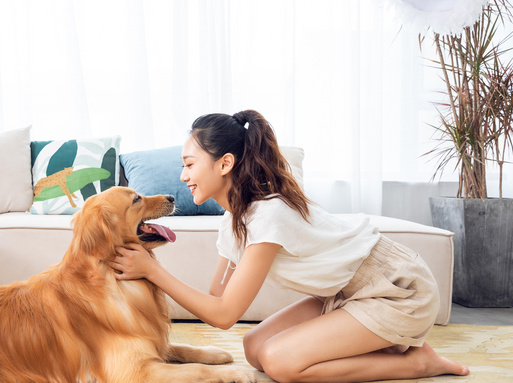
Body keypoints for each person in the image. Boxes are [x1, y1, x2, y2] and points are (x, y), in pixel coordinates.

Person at [109, 110, 470, 382]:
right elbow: (217, 296)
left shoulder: (267, 215)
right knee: (254, 350)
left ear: (225, 164)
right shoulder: (234, 220)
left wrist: (153, 271)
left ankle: (417, 362)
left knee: (281, 363)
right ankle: (381, 342)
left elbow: (223, 315)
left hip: (397, 289)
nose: (184, 176)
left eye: (189, 164)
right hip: (344, 293)